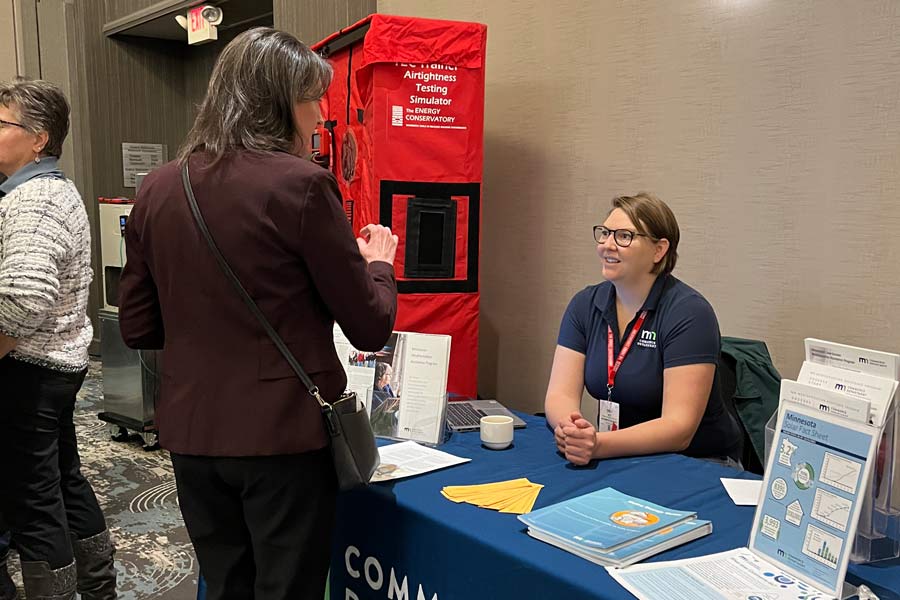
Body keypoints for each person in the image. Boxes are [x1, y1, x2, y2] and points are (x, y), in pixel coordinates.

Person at [117, 28, 398, 600]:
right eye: (312, 97)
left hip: (191, 430)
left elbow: (138, 326)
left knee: (224, 586)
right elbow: (369, 325)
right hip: (283, 437)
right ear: (279, 101)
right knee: (288, 588)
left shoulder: (158, 187)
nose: (320, 113)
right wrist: (378, 265)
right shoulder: (303, 186)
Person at [0, 78, 117, 599]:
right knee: (63, 478)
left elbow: (25, 299)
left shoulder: (34, 199)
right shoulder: (47, 189)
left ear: (39, 138)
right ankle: (97, 588)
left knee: (35, 499)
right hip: (56, 365)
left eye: (2, 124)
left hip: (31, 369)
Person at [544, 193, 742, 467]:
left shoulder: (690, 313)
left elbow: (679, 429)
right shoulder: (585, 305)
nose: (607, 245)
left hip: (695, 462)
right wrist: (571, 429)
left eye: (624, 236)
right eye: (604, 233)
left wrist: (598, 444)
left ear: (659, 250)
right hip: (620, 454)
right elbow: (560, 394)